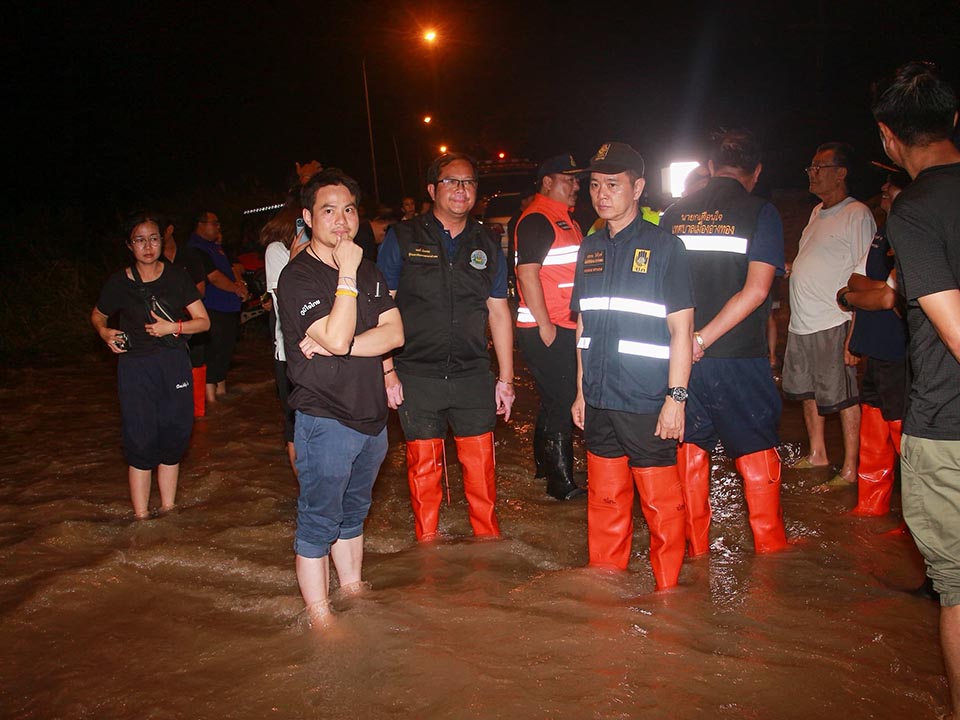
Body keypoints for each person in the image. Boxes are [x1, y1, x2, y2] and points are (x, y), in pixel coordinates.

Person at [277, 169, 404, 626]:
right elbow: (333, 332)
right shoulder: (298, 277)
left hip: (371, 416)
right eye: (328, 210)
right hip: (325, 417)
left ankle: (352, 590)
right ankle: (320, 619)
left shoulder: (369, 270)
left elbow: (394, 333)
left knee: (354, 515)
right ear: (308, 218)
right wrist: (346, 274)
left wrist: (342, 344)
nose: (341, 220)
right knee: (318, 520)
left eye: (349, 209)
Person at [872, 61, 960, 717]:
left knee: (957, 590)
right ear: (954, 119)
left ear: (887, 136)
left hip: (949, 429)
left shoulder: (916, 208)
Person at [661, 129, 788, 556]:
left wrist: (689, 343)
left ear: (712, 166)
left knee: (689, 449)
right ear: (757, 171)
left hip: (682, 362)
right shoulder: (761, 212)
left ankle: (694, 553)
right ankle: (771, 557)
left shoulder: (673, 214)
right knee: (755, 448)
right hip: (738, 358)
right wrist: (703, 339)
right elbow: (757, 291)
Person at [571, 142, 693, 590]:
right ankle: (605, 594)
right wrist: (581, 392)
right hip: (600, 400)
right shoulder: (589, 248)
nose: (601, 195)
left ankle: (669, 596)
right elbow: (583, 326)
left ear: (638, 188)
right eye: (595, 185)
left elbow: (682, 330)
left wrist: (675, 399)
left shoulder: (666, 247)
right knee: (605, 503)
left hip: (647, 401)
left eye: (613, 184)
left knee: (662, 507)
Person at [377, 152, 515, 542]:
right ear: (431, 189)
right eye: (451, 181)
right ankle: (428, 551)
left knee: (482, 474)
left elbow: (499, 312)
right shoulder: (402, 237)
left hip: (473, 375)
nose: (461, 189)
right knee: (424, 472)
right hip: (416, 374)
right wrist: (387, 370)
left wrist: (506, 379)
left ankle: (488, 548)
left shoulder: (487, 242)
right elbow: (381, 306)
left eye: (468, 182)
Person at [91, 211, 210, 518]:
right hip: (136, 367)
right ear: (129, 245)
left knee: (176, 433)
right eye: (140, 240)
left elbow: (203, 321)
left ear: (163, 240)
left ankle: (169, 510)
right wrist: (105, 332)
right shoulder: (119, 282)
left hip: (173, 363)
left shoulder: (177, 277)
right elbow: (98, 314)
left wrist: (173, 327)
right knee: (140, 438)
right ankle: (141, 518)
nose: (148, 246)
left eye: (154, 239)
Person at [782, 142, 875, 485]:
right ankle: (817, 453)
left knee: (844, 396)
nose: (812, 173)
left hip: (834, 321)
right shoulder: (815, 213)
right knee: (807, 391)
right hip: (802, 322)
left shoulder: (857, 213)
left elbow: (866, 276)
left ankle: (851, 468)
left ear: (841, 173)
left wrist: (855, 334)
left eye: (820, 167)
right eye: (811, 167)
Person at [834, 170, 909, 517]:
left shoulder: (913, 230)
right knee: (874, 432)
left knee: (904, 437)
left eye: (891, 185)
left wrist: (851, 297)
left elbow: (887, 298)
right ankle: (870, 507)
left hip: (900, 351)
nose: (883, 189)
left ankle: (914, 523)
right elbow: (856, 278)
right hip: (875, 348)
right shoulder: (884, 230)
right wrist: (871, 291)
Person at [514, 153, 586, 500]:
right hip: (547, 325)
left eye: (576, 180)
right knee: (563, 399)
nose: (576, 185)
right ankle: (561, 483)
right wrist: (546, 326)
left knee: (553, 397)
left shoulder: (565, 219)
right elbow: (527, 275)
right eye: (568, 179)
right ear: (547, 182)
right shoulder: (537, 219)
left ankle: (545, 466)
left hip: (563, 324)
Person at [188, 211, 249, 405]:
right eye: (214, 223)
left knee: (226, 348)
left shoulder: (216, 247)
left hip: (228, 306)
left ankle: (220, 391)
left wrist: (240, 285)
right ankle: (210, 397)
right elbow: (213, 277)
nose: (218, 227)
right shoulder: (196, 248)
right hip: (212, 307)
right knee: (214, 349)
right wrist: (236, 289)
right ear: (200, 224)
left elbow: (233, 268)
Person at [262, 196, 303, 477]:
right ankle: (306, 491)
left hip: (326, 350)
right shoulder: (276, 250)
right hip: (289, 354)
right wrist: (296, 258)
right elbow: (285, 300)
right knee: (295, 423)